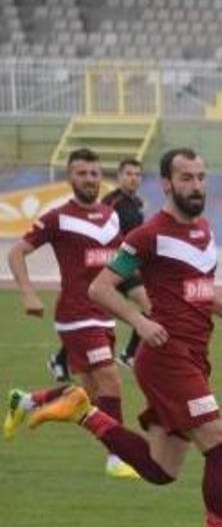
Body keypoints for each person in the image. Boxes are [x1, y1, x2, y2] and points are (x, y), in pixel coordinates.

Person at [5, 148, 222, 527]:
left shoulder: (203, 230)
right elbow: (100, 288)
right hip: (167, 358)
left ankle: (82, 411)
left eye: (201, 177)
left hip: (194, 357)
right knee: (221, 450)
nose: (196, 185)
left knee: (162, 470)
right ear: (166, 183)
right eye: (186, 178)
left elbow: (197, 289)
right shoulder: (147, 234)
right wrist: (139, 322)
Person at [5, 147, 138, 479]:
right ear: (70, 177)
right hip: (77, 315)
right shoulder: (57, 217)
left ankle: (26, 401)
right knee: (111, 380)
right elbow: (17, 252)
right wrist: (28, 293)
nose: (89, 179)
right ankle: (116, 458)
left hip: (103, 313)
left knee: (88, 395)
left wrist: (145, 300)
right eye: (82, 173)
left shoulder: (111, 217)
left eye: (94, 173)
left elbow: (121, 265)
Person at [47, 157, 150, 378]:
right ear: (119, 177)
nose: (133, 178)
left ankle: (62, 359)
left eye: (137, 174)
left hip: (123, 266)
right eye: (129, 173)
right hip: (111, 269)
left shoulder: (136, 204)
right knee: (146, 304)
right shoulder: (111, 203)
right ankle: (129, 355)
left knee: (145, 305)